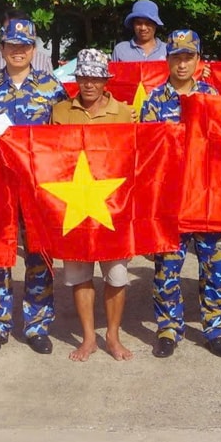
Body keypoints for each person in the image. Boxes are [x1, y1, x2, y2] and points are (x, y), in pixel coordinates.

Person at [0, 16, 65, 353]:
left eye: (23, 46)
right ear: (2, 49)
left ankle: (37, 326)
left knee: (38, 255)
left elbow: (70, 129)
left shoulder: (51, 88)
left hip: (37, 187)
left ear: (33, 49)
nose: (17, 51)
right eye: (11, 46)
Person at [141, 30, 221, 358]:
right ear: (167, 59)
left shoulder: (213, 97)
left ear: (198, 59)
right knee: (167, 269)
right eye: (176, 56)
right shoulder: (153, 101)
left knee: (214, 267)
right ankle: (168, 329)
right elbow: (147, 157)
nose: (182, 64)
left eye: (188, 57)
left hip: (207, 198)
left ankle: (215, 329)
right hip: (171, 200)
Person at [51, 50, 136, 361]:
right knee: (79, 272)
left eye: (94, 77)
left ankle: (113, 336)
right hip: (74, 203)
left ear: (105, 80)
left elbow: (137, 157)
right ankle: (88, 337)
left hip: (113, 205)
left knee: (116, 274)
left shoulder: (125, 114)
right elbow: (50, 157)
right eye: (83, 77)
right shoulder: (60, 111)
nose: (88, 83)